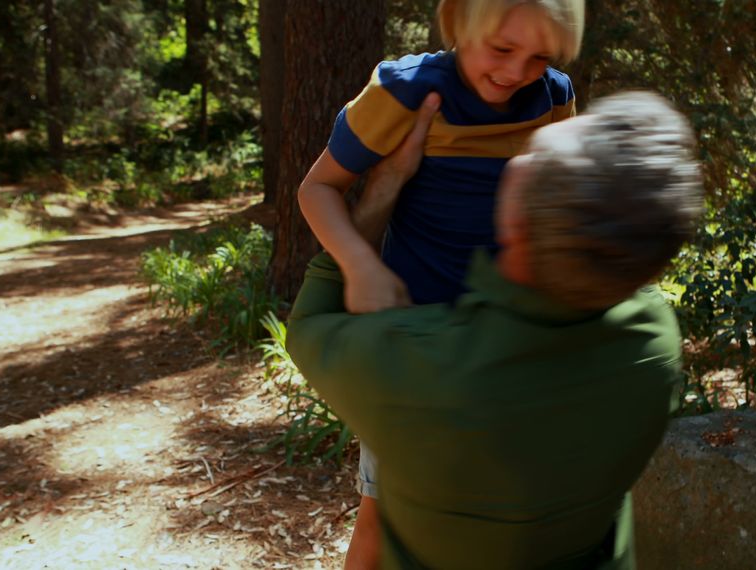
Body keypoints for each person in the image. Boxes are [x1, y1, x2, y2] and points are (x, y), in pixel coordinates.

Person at [287, 91, 704, 569]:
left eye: (532, 156)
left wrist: (385, 184)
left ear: (516, 226)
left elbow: (310, 327)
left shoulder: (430, 369)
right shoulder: (652, 343)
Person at [295, 1, 584, 566]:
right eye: (501, 48)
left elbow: (557, 205)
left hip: (508, 345)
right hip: (417, 345)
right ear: (457, 22)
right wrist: (361, 265)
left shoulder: (555, 97)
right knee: (384, 512)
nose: (515, 72)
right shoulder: (403, 90)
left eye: (538, 56)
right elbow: (317, 188)